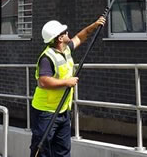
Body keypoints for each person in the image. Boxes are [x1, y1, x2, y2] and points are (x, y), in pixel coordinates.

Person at [30, 16, 106, 157]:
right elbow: (43, 81)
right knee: (41, 150)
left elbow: (80, 37)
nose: (67, 33)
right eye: (64, 32)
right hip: (45, 112)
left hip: (63, 111)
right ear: (59, 38)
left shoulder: (66, 50)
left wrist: (94, 25)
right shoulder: (47, 58)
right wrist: (67, 82)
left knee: (63, 150)